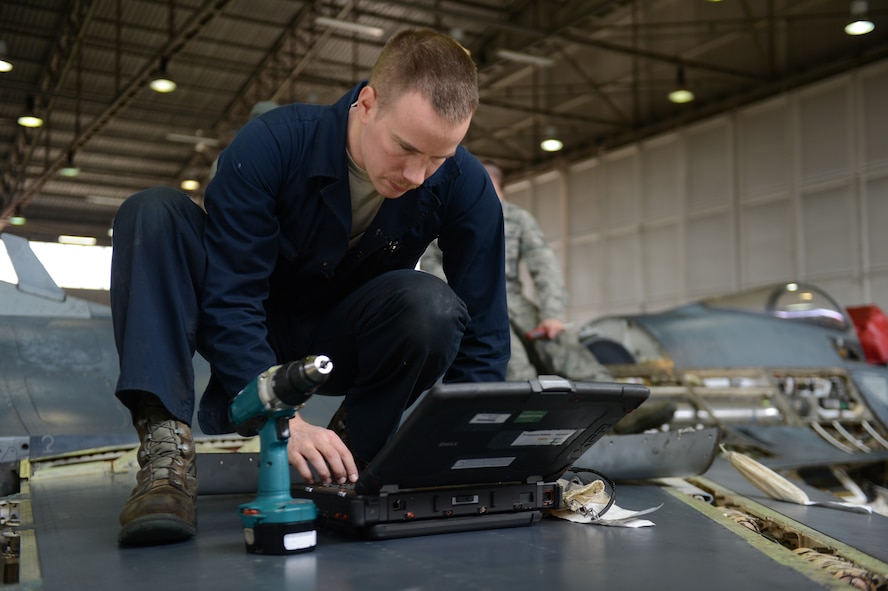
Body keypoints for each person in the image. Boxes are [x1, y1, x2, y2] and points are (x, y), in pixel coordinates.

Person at [110, 29, 509, 547]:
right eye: (405, 148)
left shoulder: (465, 183)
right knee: (152, 212)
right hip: (246, 318)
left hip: (340, 339)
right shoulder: (272, 144)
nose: (416, 175)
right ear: (367, 104)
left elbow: (484, 329)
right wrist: (281, 420)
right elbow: (232, 297)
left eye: (438, 158)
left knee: (431, 304)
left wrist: (471, 448)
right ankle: (166, 455)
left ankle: (349, 457)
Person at [421, 160, 610, 383]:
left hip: (514, 301)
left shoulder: (518, 219)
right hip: (470, 302)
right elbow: (431, 262)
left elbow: (544, 266)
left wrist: (552, 314)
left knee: (565, 349)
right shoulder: (454, 217)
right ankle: (525, 410)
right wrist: (455, 305)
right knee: (512, 364)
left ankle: (618, 405)